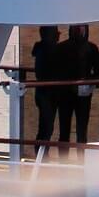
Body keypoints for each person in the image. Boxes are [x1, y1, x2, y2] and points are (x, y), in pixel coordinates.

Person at [30, 26, 70, 154]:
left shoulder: (42, 50)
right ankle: (41, 157)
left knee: (46, 127)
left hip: (46, 93)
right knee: (46, 128)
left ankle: (41, 156)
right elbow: (44, 72)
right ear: (51, 35)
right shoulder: (48, 51)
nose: (59, 36)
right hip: (48, 94)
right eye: (56, 33)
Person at [63, 23, 99, 148]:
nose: (79, 31)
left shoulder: (91, 48)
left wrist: (90, 82)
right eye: (76, 28)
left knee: (81, 130)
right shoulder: (63, 48)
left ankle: (81, 162)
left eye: (81, 28)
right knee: (65, 130)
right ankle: (66, 162)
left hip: (82, 93)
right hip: (66, 93)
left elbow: (98, 72)